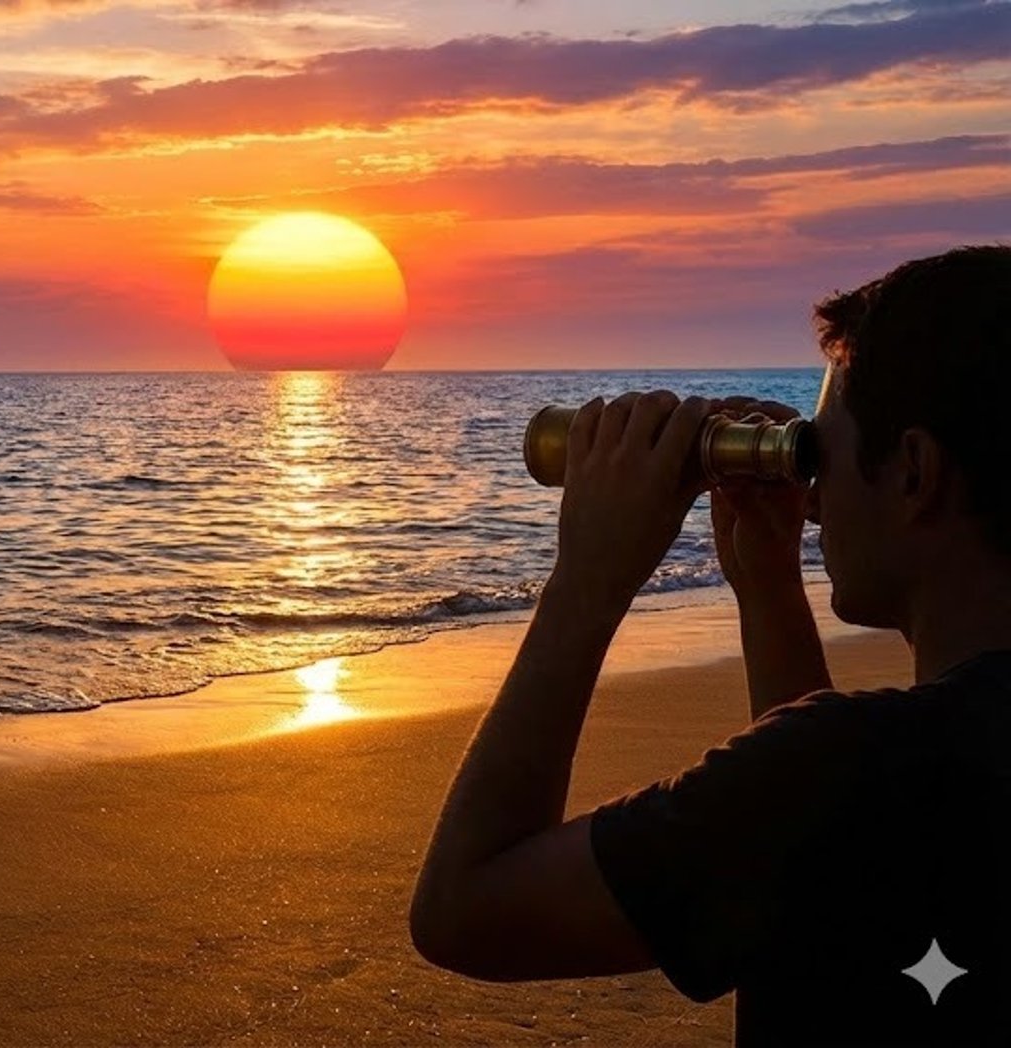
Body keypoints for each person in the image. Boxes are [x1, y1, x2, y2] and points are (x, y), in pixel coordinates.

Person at [407, 244, 1011, 1046]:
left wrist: (587, 581)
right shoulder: (885, 773)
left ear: (914, 470)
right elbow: (829, 866)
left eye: (817, 452)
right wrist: (768, 587)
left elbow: (464, 910)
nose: (814, 493)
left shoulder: (854, 770)